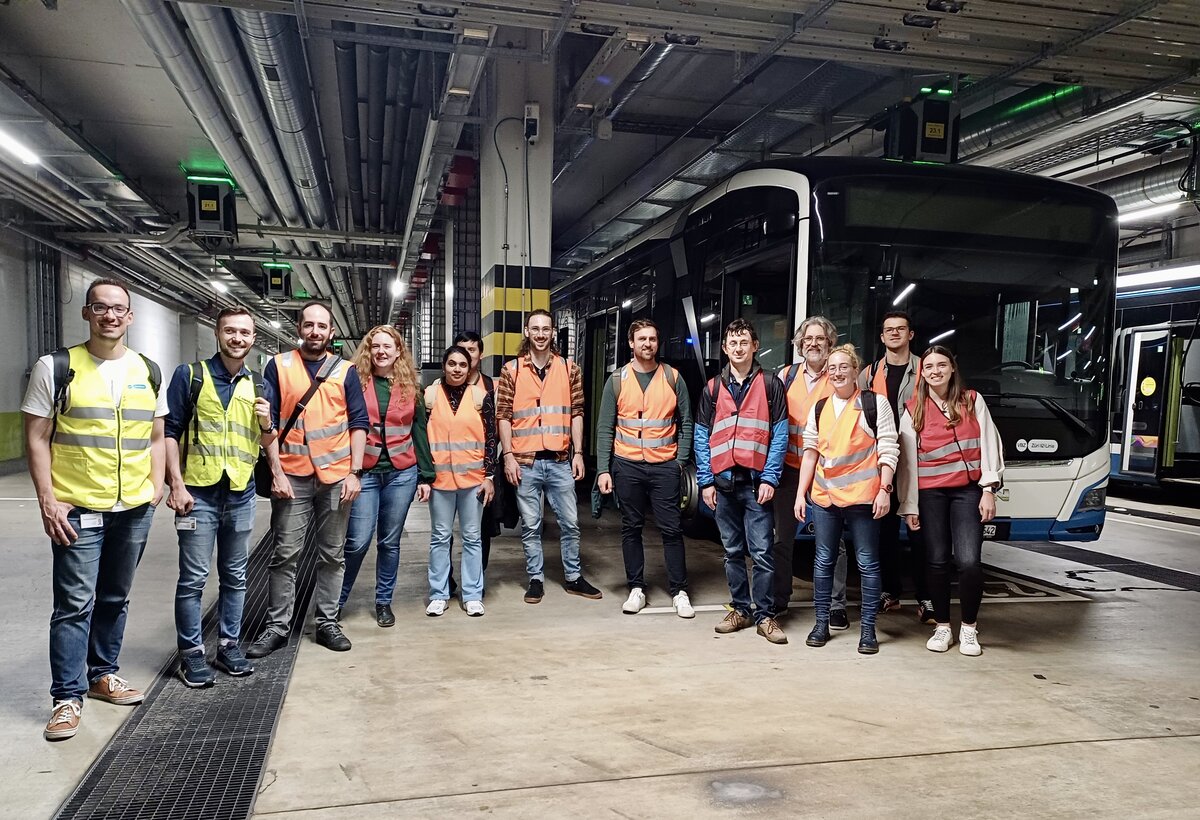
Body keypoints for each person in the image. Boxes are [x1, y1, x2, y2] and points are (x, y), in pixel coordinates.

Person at [23, 278, 167, 741]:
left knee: (114, 597)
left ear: (130, 316)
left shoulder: (148, 369)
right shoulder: (57, 366)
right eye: (100, 307)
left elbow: (156, 435)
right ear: (87, 313)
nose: (110, 316)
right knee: (74, 605)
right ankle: (67, 696)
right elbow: (37, 437)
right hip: (78, 505)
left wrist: (157, 484)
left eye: (119, 309)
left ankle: (103, 673)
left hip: (133, 508)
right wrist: (48, 498)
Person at [248, 302, 368, 658]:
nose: (315, 331)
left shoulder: (345, 371)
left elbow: (358, 423)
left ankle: (327, 622)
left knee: (332, 555)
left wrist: (355, 473)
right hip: (292, 476)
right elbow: (266, 425)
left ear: (331, 331)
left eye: (322, 326)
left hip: (335, 477)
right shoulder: (278, 366)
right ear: (299, 327)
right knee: (285, 554)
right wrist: (276, 472)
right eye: (309, 325)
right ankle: (276, 627)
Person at [165, 307, 273, 688]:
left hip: (240, 492)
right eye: (231, 331)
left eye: (245, 332)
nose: (238, 338)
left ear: (253, 337)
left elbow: (266, 437)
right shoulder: (190, 376)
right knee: (193, 579)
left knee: (235, 576)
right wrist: (174, 484)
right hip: (198, 494)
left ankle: (229, 646)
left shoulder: (259, 384)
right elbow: (170, 431)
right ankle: (191, 655)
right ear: (218, 333)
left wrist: (267, 424)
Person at [898, 346, 1004, 656]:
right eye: (928, 366)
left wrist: (988, 489)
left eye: (941, 365)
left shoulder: (972, 401)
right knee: (937, 560)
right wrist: (910, 506)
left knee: (969, 561)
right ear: (923, 374)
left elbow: (989, 445)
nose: (935, 370)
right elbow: (908, 465)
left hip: (967, 491)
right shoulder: (912, 408)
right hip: (930, 494)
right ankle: (943, 626)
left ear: (952, 368)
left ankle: (969, 629)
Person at [795, 344, 898, 654]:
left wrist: (885, 489)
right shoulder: (820, 407)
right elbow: (810, 453)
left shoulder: (874, 404)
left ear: (856, 371)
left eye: (844, 366)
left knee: (867, 562)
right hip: (825, 498)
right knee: (824, 561)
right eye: (833, 367)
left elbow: (889, 449)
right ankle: (821, 624)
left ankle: (868, 630)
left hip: (863, 499)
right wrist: (801, 494)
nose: (837, 372)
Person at [496, 309, 602, 603]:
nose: (541, 334)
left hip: (559, 460)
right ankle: (535, 580)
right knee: (531, 525)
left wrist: (578, 453)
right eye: (535, 328)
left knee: (570, 523)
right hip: (525, 461)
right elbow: (503, 415)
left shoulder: (570, 369)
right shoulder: (511, 370)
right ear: (527, 333)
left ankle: (573, 577)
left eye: (546, 329)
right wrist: (508, 456)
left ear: (553, 332)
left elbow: (577, 413)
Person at [694, 318, 789, 644]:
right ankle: (740, 609)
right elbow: (701, 436)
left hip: (755, 483)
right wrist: (705, 481)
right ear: (724, 348)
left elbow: (780, 434)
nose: (738, 348)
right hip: (722, 484)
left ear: (755, 346)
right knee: (732, 551)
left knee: (762, 553)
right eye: (732, 343)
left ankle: (765, 616)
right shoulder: (712, 388)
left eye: (744, 342)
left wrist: (770, 478)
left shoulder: (771, 385)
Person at [596, 319, 695, 618]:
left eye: (652, 338)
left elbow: (687, 421)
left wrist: (680, 462)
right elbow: (605, 427)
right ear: (631, 343)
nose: (648, 344)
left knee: (671, 529)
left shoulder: (673, 377)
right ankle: (636, 588)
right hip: (627, 466)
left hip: (665, 466)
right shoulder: (617, 380)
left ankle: (679, 591)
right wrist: (603, 469)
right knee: (631, 528)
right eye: (642, 339)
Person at [337, 325, 434, 628]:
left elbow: (418, 429)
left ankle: (383, 602)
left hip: (401, 473)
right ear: (368, 350)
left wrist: (426, 475)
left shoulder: (410, 386)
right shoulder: (354, 381)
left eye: (387, 347)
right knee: (357, 541)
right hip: (364, 472)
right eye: (375, 346)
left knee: (389, 542)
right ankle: (335, 603)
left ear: (397, 351)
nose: (381, 352)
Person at [857, 310, 933, 622]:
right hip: (882, 460)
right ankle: (890, 592)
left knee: (921, 533)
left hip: (919, 462)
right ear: (882, 336)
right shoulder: (870, 372)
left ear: (911, 334)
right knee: (883, 532)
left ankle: (926, 597)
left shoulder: (926, 369)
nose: (895, 334)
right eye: (889, 330)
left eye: (901, 329)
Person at [424, 346, 496, 616]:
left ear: (470, 368)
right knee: (440, 538)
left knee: (472, 538)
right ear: (444, 366)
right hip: (440, 482)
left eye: (462, 365)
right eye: (452, 363)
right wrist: (424, 476)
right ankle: (439, 594)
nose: (457, 369)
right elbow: (421, 438)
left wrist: (489, 476)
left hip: (472, 481)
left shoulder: (481, 397)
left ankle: (473, 594)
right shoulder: (430, 396)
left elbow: (491, 439)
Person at [773, 317, 836, 620]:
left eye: (820, 338)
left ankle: (835, 605)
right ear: (799, 345)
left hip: (827, 469)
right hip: (789, 468)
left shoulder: (838, 376)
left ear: (829, 344)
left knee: (833, 540)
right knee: (782, 538)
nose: (813, 343)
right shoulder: (785, 376)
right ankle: (779, 599)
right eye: (808, 339)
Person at [446, 331, 496, 593]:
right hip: (447, 475)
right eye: (460, 349)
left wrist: (490, 472)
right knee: (444, 533)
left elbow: (493, 432)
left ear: (480, 354)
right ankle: (447, 578)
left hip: (479, 473)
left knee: (480, 530)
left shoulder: (490, 386)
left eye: (472, 350)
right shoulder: (439, 389)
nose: (466, 354)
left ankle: (476, 578)